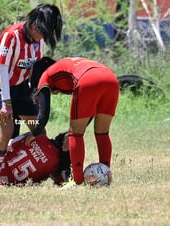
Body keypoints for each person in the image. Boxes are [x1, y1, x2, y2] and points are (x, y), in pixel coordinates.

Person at [0, 3, 63, 188]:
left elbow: (33, 69)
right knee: (7, 131)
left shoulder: (37, 41)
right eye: (43, 33)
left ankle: (30, 170)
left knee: (39, 131)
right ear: (35, 25)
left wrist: (36, 93)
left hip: (21, 88)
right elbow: (2, 70)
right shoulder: (10, 36)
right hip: (1, 88)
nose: (43, 38)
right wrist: (6, 103)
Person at [29, 57, 119, 188]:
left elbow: (43, 114)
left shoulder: (45, 76)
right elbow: (90, 111)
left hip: (88, 79)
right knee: (102, 133)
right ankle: (104, 174)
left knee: (75, 135)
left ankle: (76, 181)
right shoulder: (64, 65)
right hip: (111, 78)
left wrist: (35, 133)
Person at [0, 132, 71, 186]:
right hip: (6, 182)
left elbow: (10, 144)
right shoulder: (57, 165)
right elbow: (60, 182)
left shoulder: (38, 137)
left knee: (2, 155)